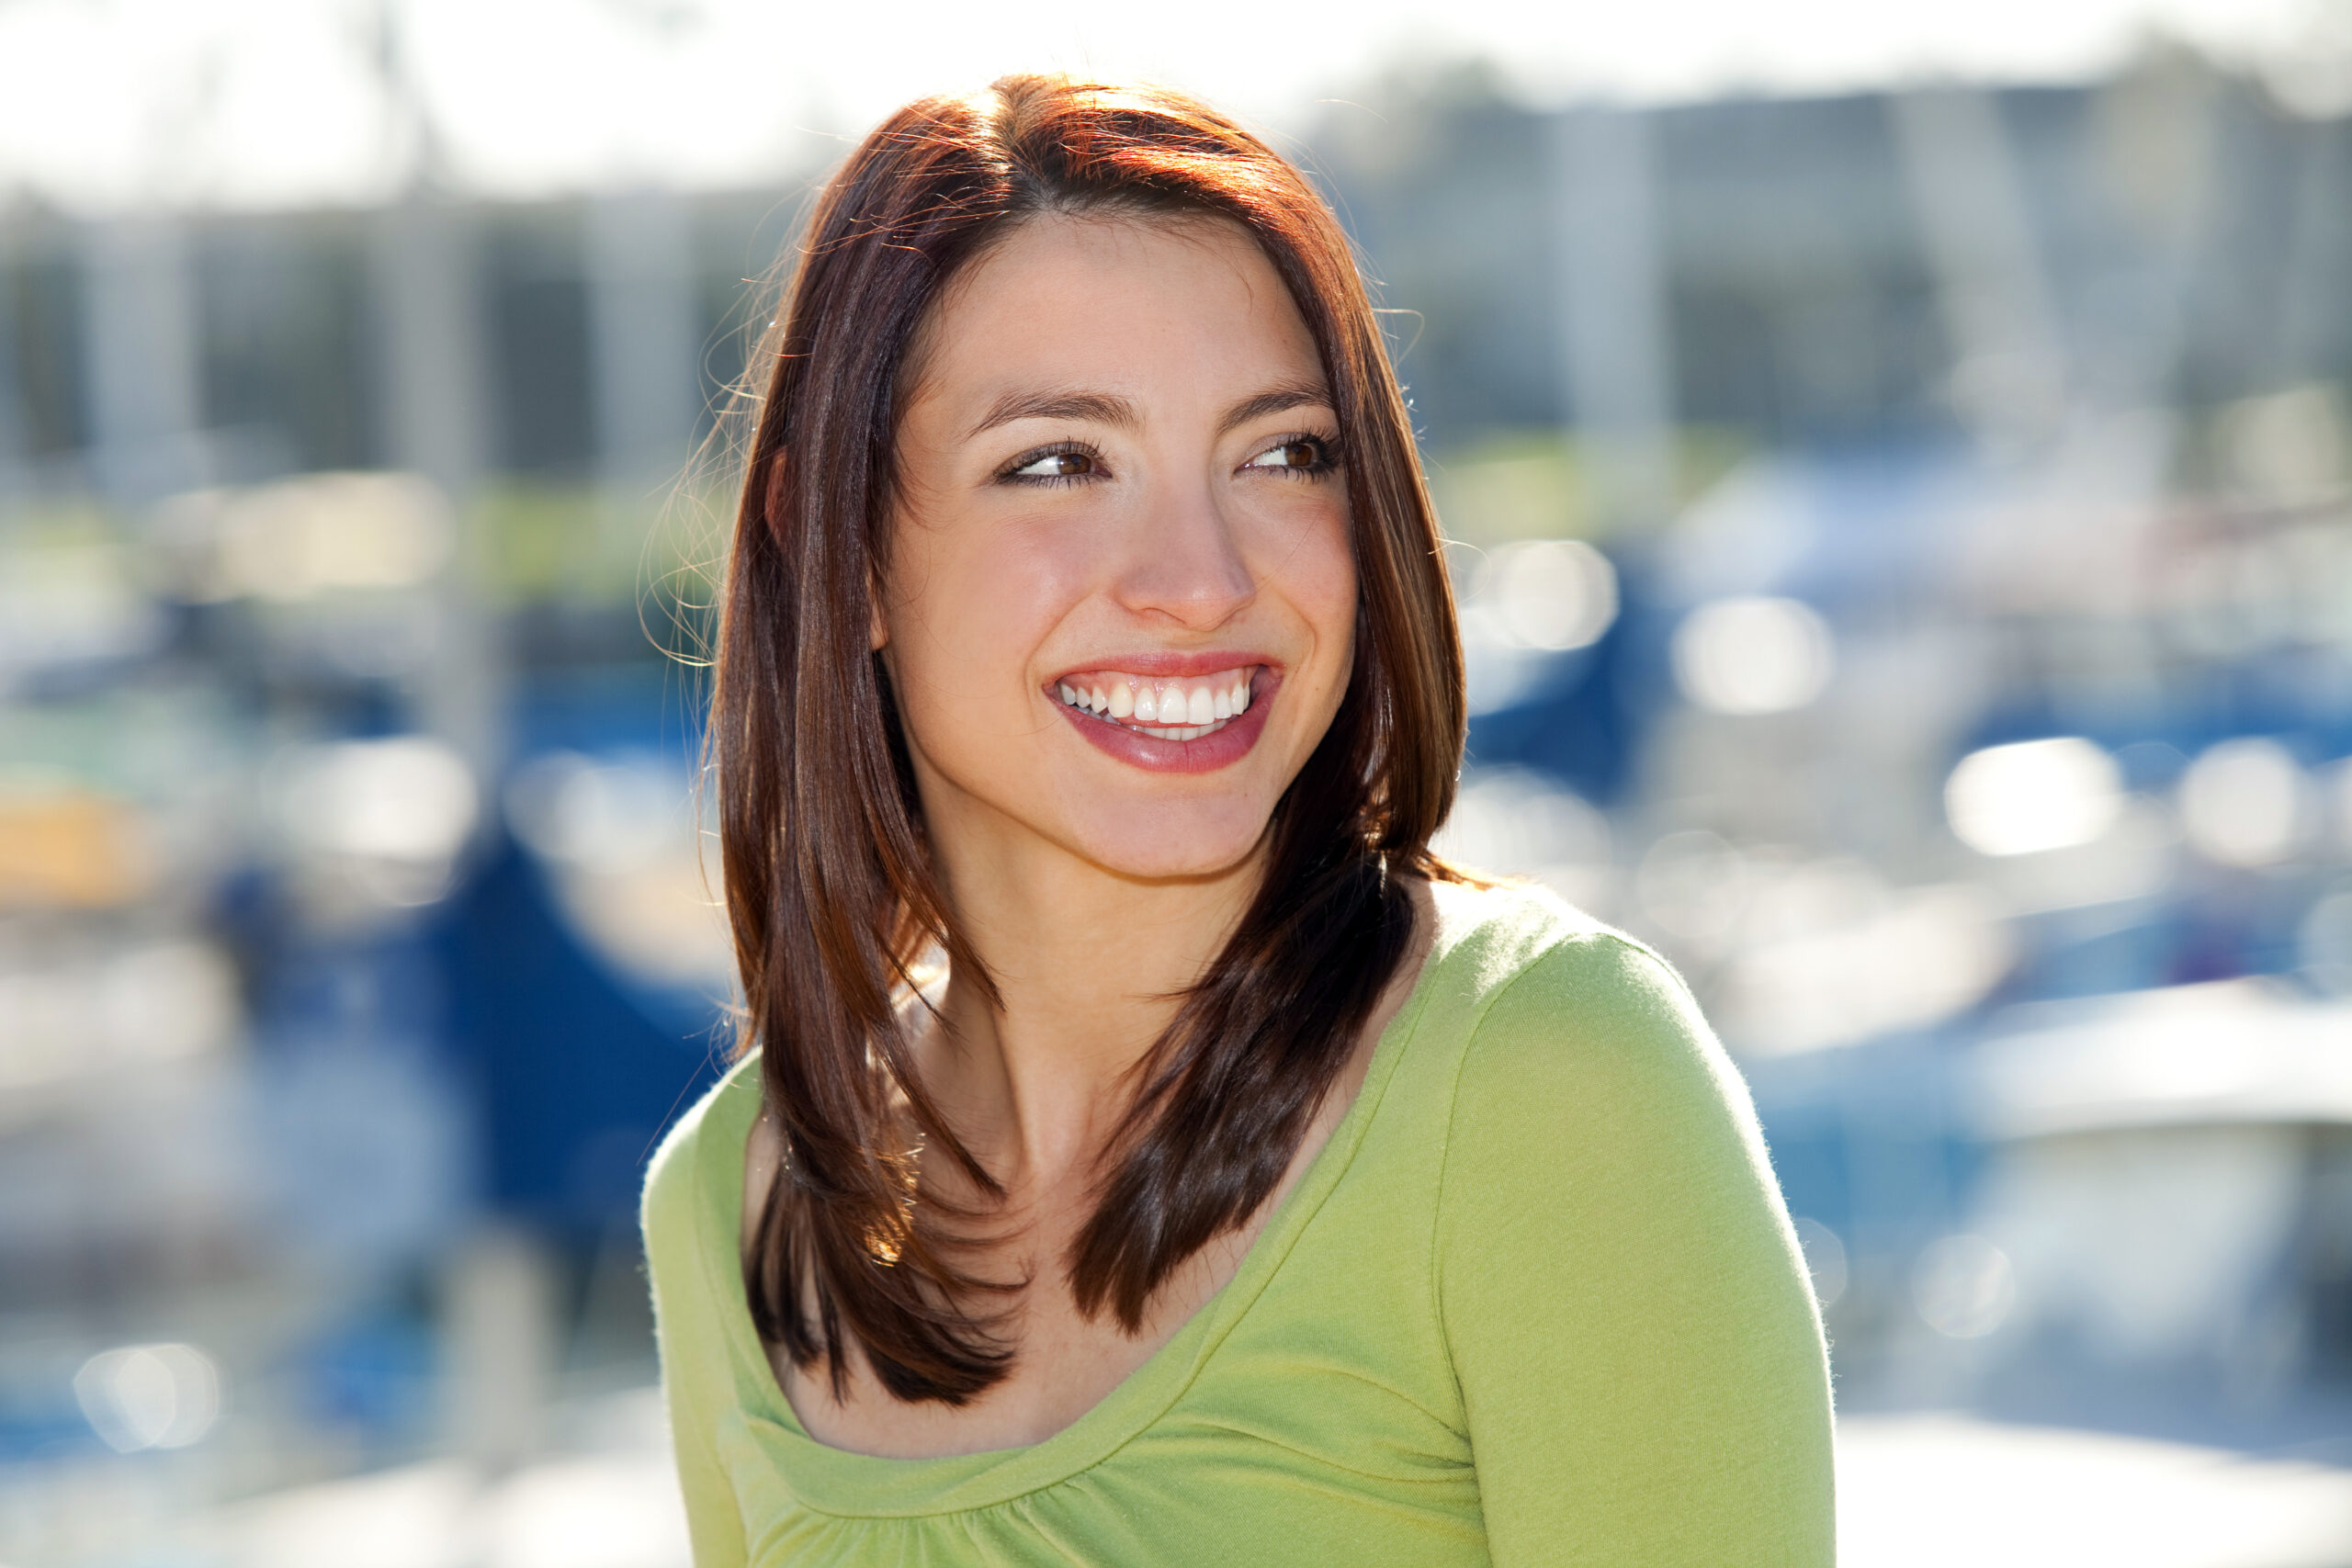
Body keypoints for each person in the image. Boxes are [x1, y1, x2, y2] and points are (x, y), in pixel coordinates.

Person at [641, 73, 1834, 1566]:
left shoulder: (1543, 1083)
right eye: (1059, 464)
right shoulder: (729, 1203)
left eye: (1283, 454)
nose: (1199, 580)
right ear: (847, 555)